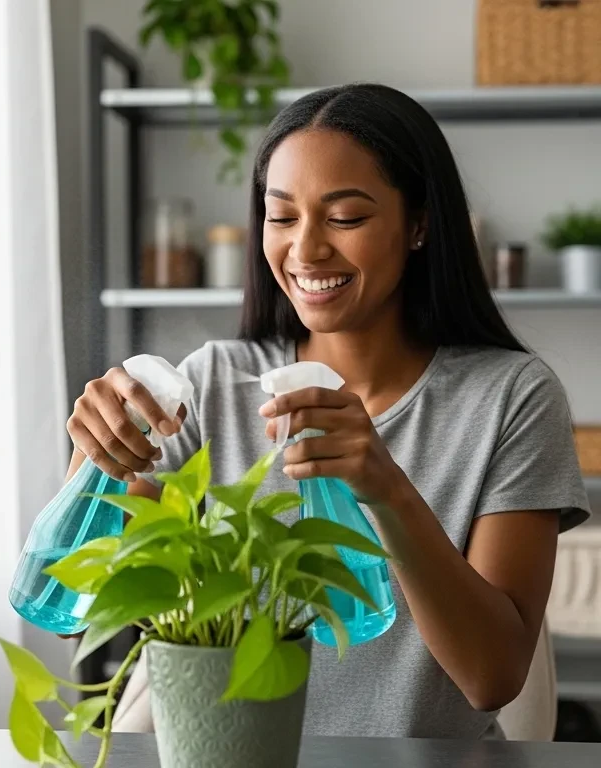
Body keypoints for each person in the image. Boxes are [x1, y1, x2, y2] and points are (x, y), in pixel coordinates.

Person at [66, 83, 591, 739]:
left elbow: (492, 679)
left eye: (345, 218)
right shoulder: (210, 384)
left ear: (420, 223)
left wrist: (385, 488)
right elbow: (82, 594)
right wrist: (93, 459)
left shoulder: (510, 397)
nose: (307, 250)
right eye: (282, 217)